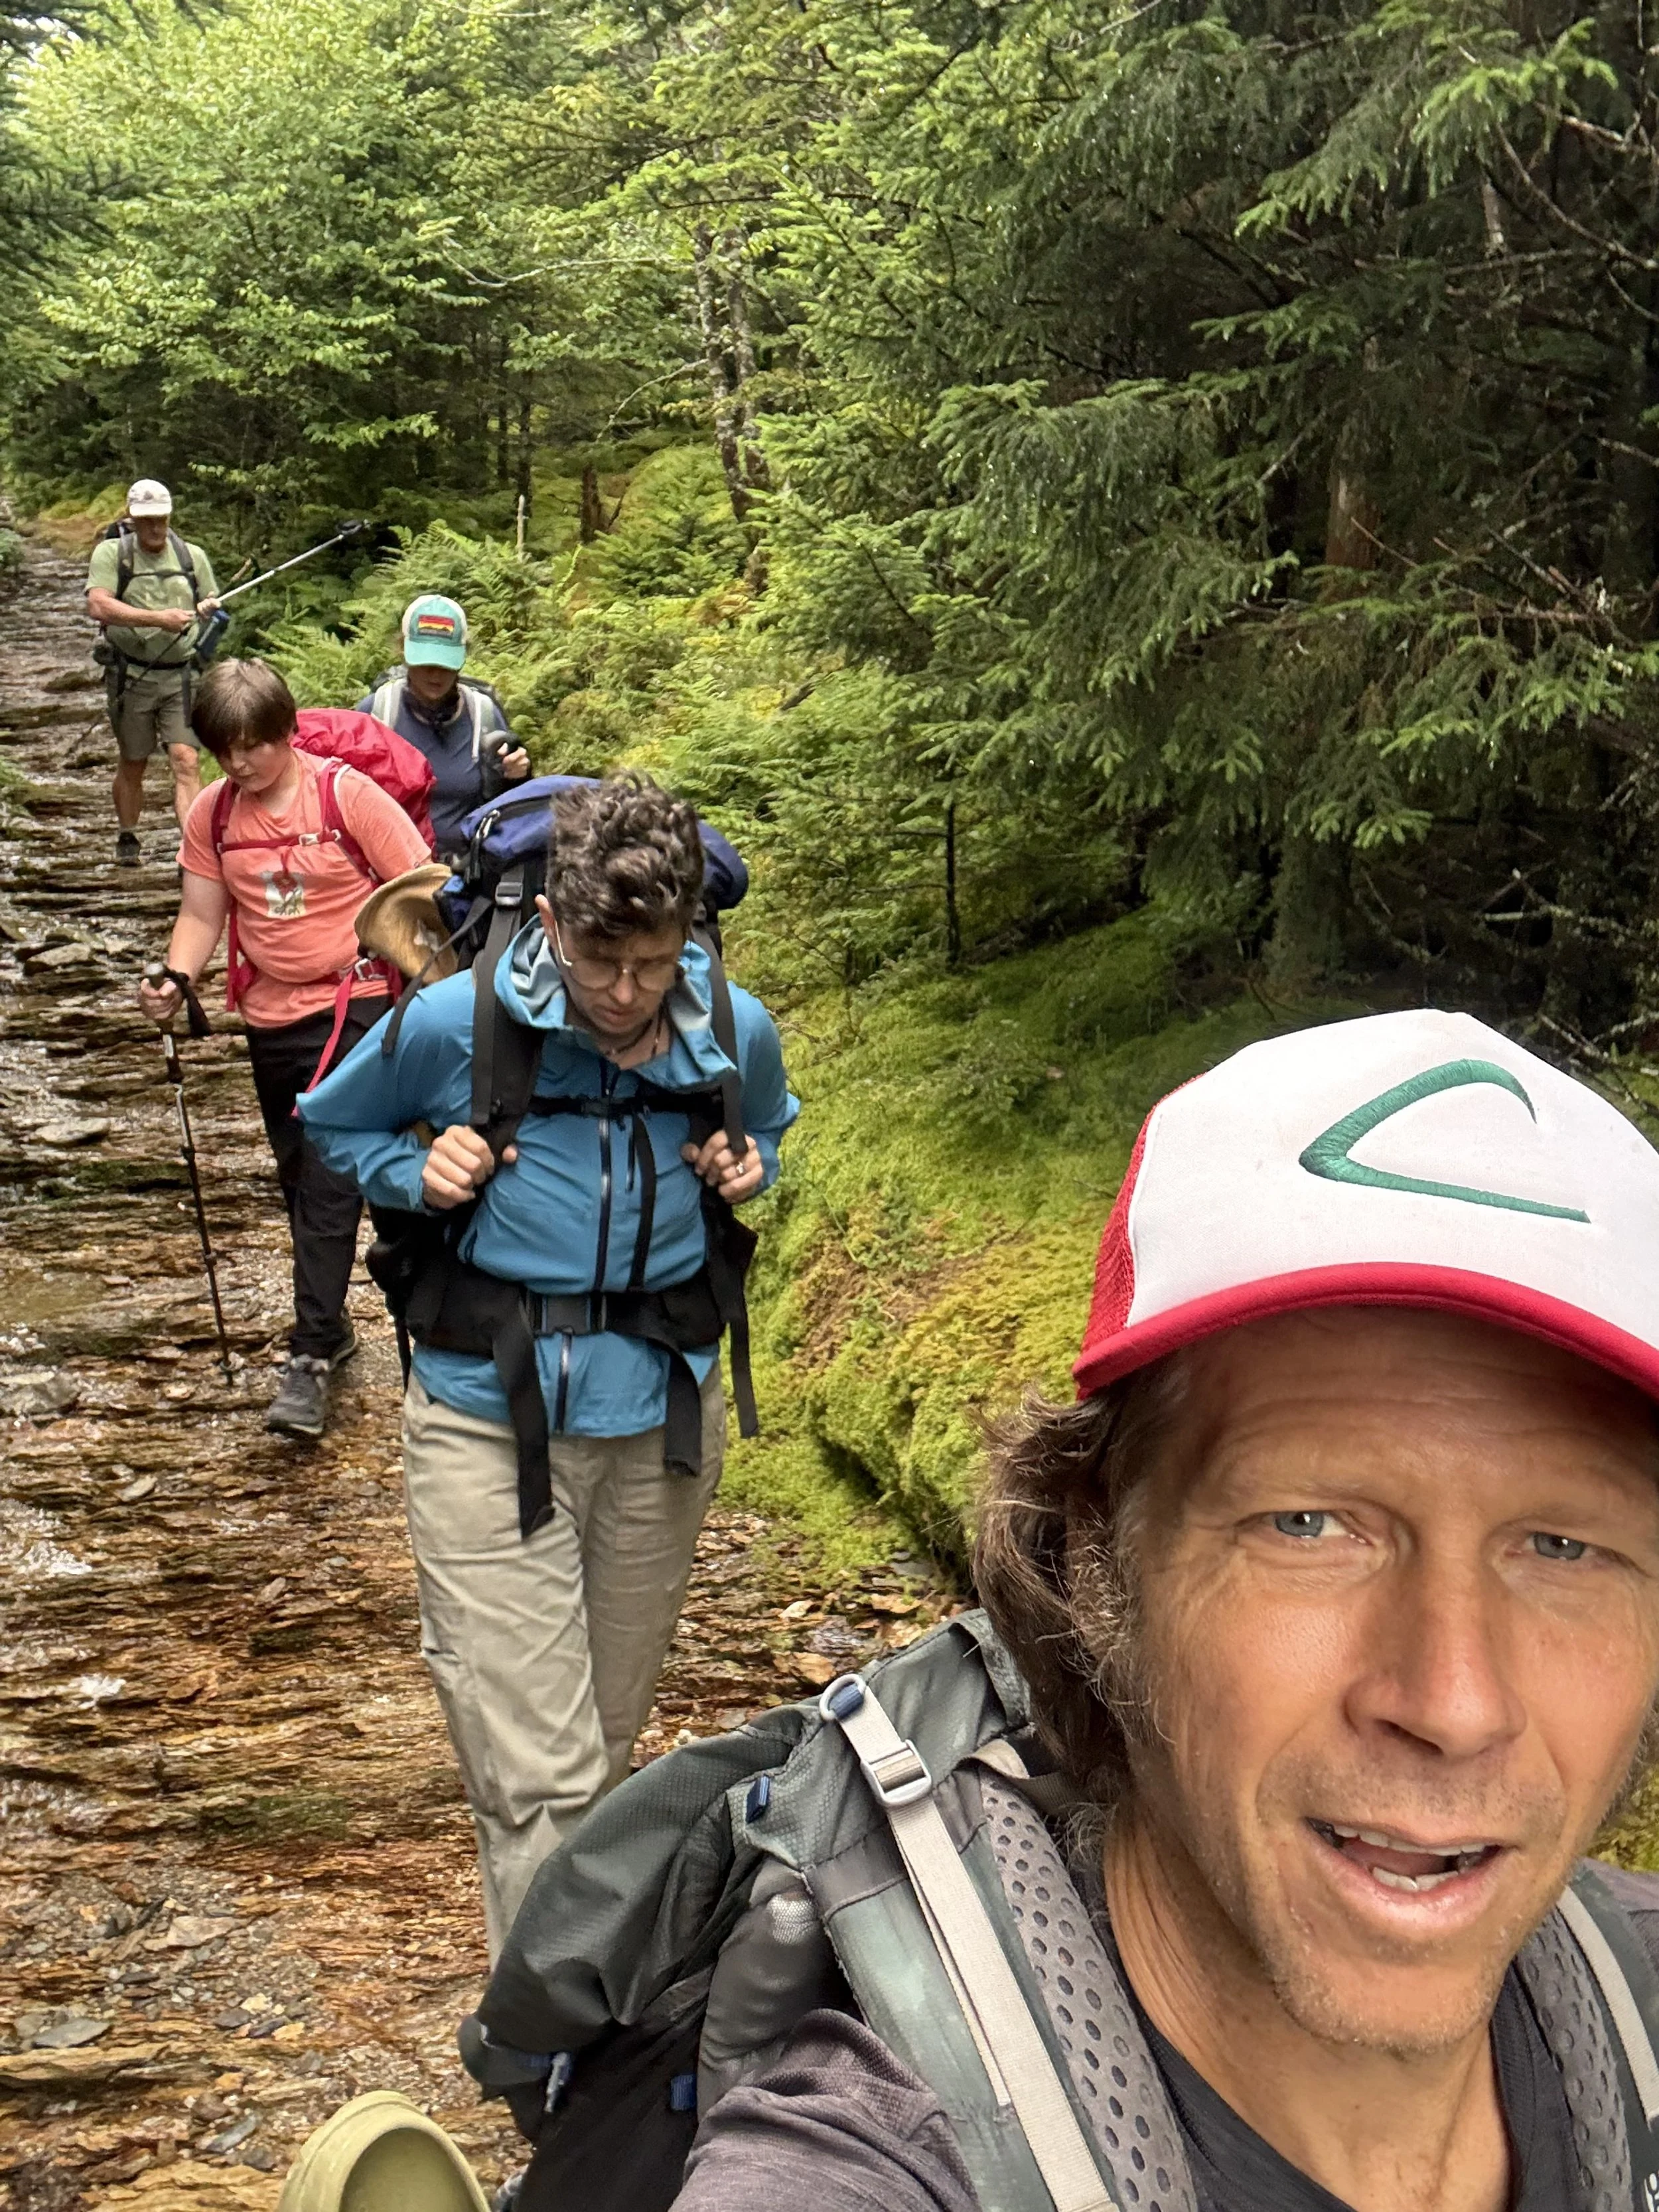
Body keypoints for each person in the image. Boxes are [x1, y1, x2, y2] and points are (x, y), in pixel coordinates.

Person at [658, 1008, 1659, 2211]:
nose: (1451, 1701)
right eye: (1311, 1524)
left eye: (1564, 1544)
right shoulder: (874, 2169)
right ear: (1096, 1562)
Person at [297, 773, 797, 1956]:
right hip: (485, 1420)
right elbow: (335, 1122)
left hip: (661, 1425)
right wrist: (416, 1173)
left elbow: (770, 1121)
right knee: (547, 1777)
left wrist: (749, 1165)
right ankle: (554, 2074)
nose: (626, 994)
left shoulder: (733, 1024)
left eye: (656, 961)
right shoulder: (457, 1020)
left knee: (600, 1765)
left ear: (690, 936)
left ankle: (550, 2011)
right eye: (600, 959)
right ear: (553, 921)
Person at [138, 658, 431, 1439]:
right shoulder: (213, 816)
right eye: (225, 749)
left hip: (361, 1004)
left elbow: (422, 893)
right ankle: (354, 1317)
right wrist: (175, 977)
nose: (240, 763)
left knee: (334, 1170)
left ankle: (307, 1357)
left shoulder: (346, 796)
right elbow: (202, 915)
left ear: (284, 733)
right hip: (270, 1015)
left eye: (254, 746)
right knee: (302, 1179)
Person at [86, 478, 222, 866]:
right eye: (147, 521)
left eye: (161, 519)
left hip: (182, 676)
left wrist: (209, 609)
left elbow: (209, 597)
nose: (156, 528)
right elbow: (99, 606)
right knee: (134, 759)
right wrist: (158, 620)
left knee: (186, 759)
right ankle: (128, 834)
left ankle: (194, 852)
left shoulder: (191, 556)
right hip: (133, 676)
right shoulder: (112, 554)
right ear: (132, 518)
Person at [357, 594, 530, 855]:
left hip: (466, 875)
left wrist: (519, 775)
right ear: (404, 652)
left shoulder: (484, 715)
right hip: (393, 873)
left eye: (445, 663)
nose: (435, 673)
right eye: (425, 662)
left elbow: (508, 806)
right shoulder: (377, 714)